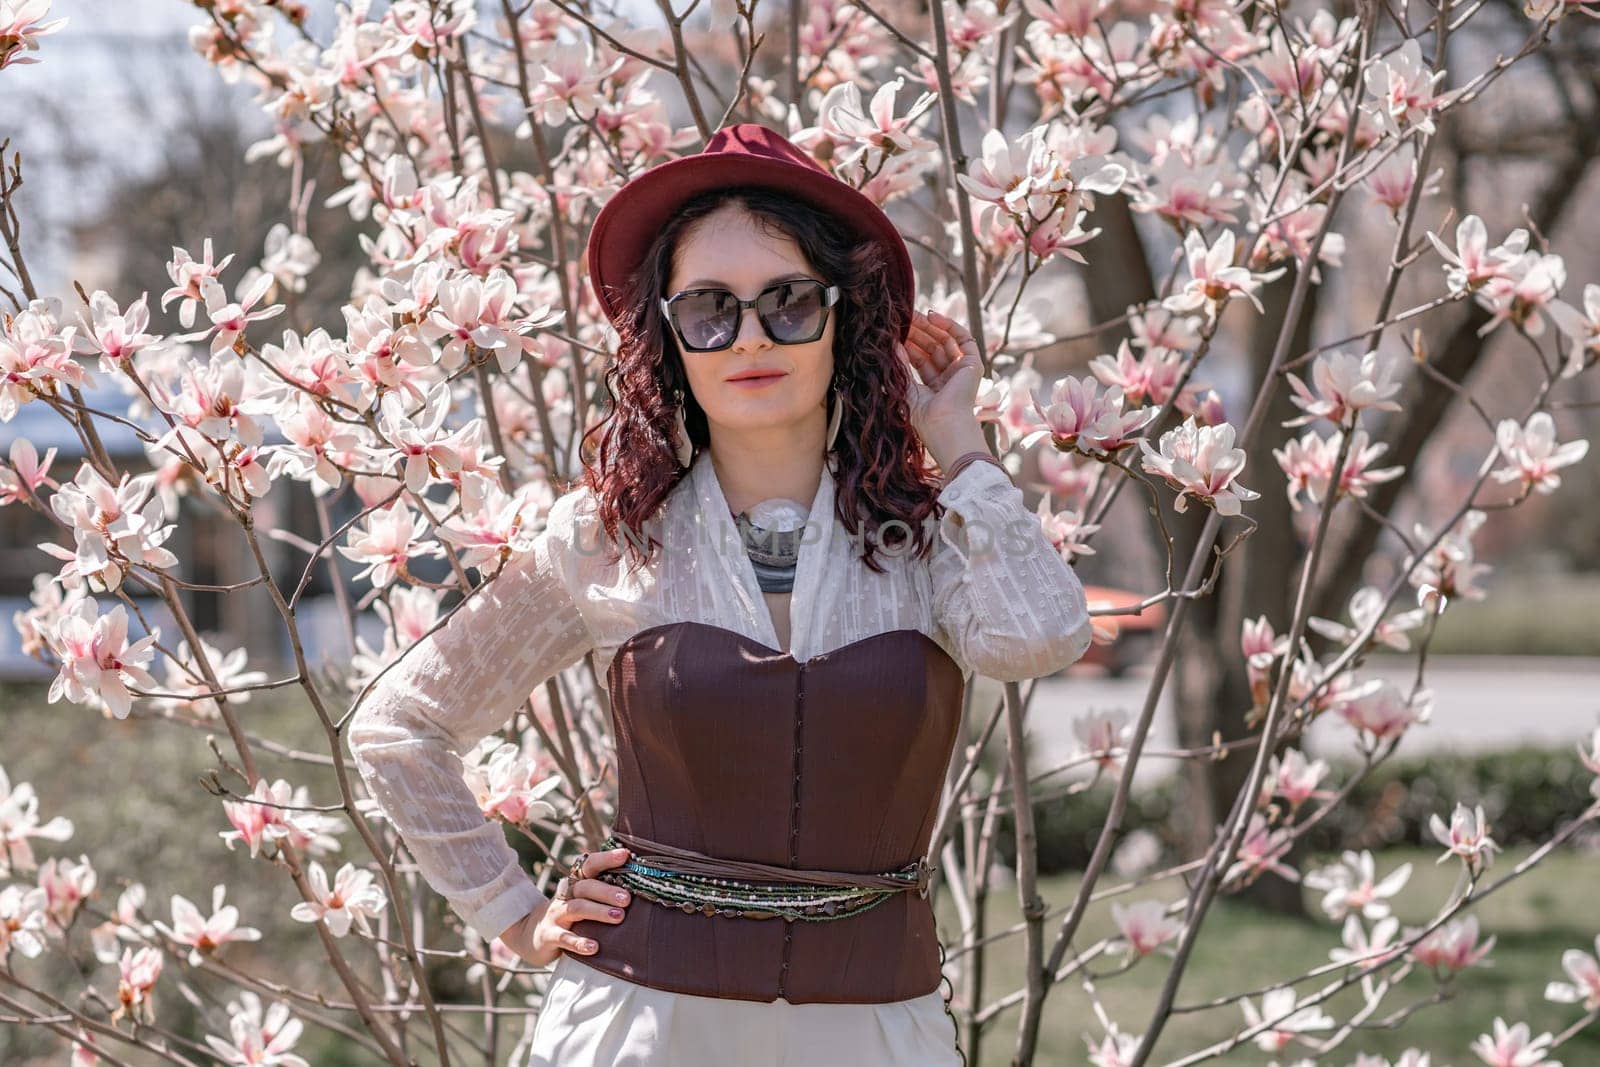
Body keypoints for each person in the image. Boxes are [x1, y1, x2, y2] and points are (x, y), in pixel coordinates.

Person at [345, 123, 1094, 1066]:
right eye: (709, 308)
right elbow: (398, 726)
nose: (748, 336)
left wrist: (960, 443)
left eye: (786, 302)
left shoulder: (925, 539)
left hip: (872, 1033)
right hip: (639, 1029)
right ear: (671, 336)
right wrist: (518, 917)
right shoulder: (607, 540)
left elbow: (1040, 640)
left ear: (844, 318)